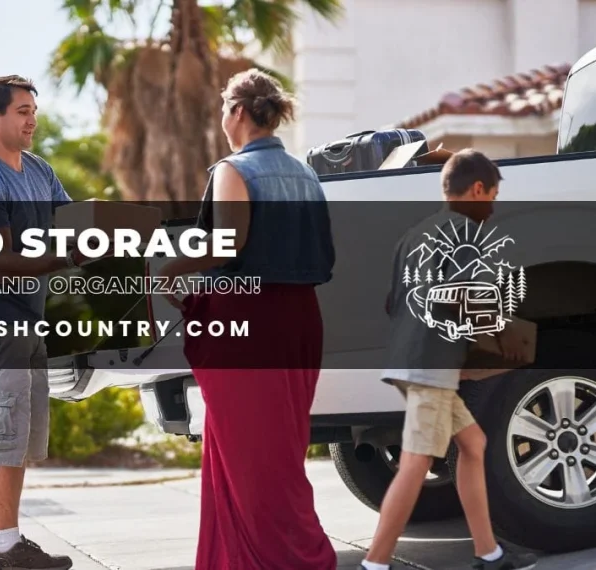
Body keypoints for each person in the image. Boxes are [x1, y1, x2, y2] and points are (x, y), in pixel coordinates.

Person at [158, 68, 338, 570]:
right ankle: (239, 557)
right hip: (300, 319)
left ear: (238, 111)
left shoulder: (232, 170)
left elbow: (228, 243)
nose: (221, 118)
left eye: (223, 108)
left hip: (248, 324)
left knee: (253, 458)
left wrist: (172, 268)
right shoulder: (305, 173)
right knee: (276, 451)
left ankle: (292, 557)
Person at [360, 149, 539, 570]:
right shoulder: (464, 234)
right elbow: (473, 298)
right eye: (492, 196)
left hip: (411, 362)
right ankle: (374, 563)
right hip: (431, 368)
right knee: (417, 462)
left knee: (473, 445)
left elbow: (394, 303)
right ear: (476, 189)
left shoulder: (416, 233)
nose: (493, 208)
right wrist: (506, 333)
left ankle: (489, 553)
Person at [0, 75, 91, 570]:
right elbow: (0, 262)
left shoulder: (38, 170)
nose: (33, 120)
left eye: (33, 109)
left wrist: (104, 232)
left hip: (26, 325)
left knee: (14, 441)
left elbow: (71, 218)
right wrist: (65, 260)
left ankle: (7, 545)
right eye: (23, 111)